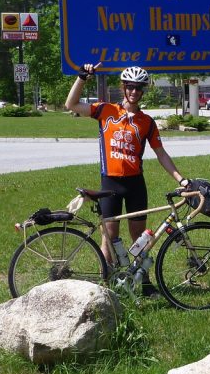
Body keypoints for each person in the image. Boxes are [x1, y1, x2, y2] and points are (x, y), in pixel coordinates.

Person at [65, 64, 190, 289]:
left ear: (143, 91)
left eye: (138, 88)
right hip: (110, 182)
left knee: (139, 238)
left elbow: (161, 154)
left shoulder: (146, 122)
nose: (134, 92)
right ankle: (105, 287)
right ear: (123, 88)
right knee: (109, 239)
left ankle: (145, 281)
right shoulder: (106, 110)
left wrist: (181, 179)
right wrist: (82, 77)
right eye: (130, 87)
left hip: (135, 184)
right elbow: (71, 104)